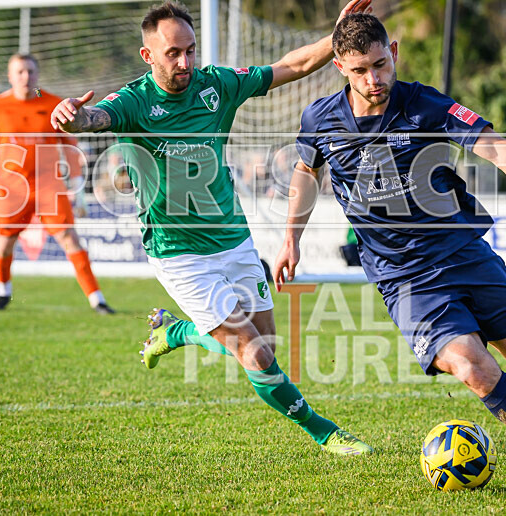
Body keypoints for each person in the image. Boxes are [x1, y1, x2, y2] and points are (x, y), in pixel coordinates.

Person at [274, 13, 506, 476]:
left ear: (393, 52)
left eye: (380, 64)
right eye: (359, 71)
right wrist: (291, 238)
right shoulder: (320, 119)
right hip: (404, 279)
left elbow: (492, 145)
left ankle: (495, 342)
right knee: (474, 369)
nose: (373, 79)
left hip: (463, 254)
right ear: (339, 68)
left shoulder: (425, 106)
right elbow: (306, 172)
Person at [51, 0, 374, 455]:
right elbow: (93, 118)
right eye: (172, 54)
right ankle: (326, 433)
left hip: (233, 237)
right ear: (148, 56)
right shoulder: (133, 101)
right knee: (255, 355)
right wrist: (72, 116)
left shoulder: (216, 85)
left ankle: (177, 333)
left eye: (190, 50)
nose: (185, 62)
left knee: (267, 348)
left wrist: (337, 36)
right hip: (178, 252)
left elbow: (292, 64)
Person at [0, 53, 114, 314]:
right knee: (4, 244)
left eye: (30, 71)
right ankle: (3, 292)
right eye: (20, 72)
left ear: (37, 75)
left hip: (49, 186)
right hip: (12, 189)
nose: (26, 77)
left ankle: (97, 299)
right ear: (9, 76)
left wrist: (77, 192)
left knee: (70, 239)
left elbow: (69, 148)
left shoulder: (54, 103)